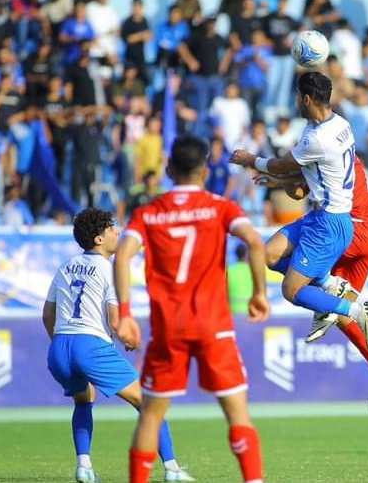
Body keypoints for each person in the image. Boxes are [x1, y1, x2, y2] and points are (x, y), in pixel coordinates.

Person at [113, 138, 269, 483]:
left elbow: (122, 254)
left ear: (169, 170)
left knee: (150, 417)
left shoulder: (149, 212)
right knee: (237, 413)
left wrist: (124, 313)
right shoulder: (221, 207)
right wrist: (260, 293)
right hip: (213, 323)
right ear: (204, 170)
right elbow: (256, 242)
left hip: (169, 327)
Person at [42, 208, 196, 483]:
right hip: (90, 346)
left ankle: (84, 466)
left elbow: (47, 315)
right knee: (150, 403)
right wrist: (131, 339)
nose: (118, 233)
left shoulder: (65, 266)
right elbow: (116, 322)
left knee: (84, 400)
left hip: (59, 348)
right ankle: (172, 469)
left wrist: (61, 343)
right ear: (99, 239)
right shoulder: (110, 269)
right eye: (112, 229)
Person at [229, 71, 368, 348]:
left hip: (329, 225)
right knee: (267, 253)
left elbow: (283, 165)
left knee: (291, 290)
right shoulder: (340, 124)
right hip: (319, 217)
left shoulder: (316, 138)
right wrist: (280, 179)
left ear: (307, 99)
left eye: (298, 97)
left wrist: (250, 159)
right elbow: (306, 174)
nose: (296, 101)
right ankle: (329, 283)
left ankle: (358, 310)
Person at [254, 154, 368, 407]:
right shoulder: (348, 156)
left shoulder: (323, 147)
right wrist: (282, 181)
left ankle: (326, 283)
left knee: (280, 262)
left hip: (347, 230)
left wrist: (274, 176)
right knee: (341, 314)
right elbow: (308, 182)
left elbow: (299, 190)